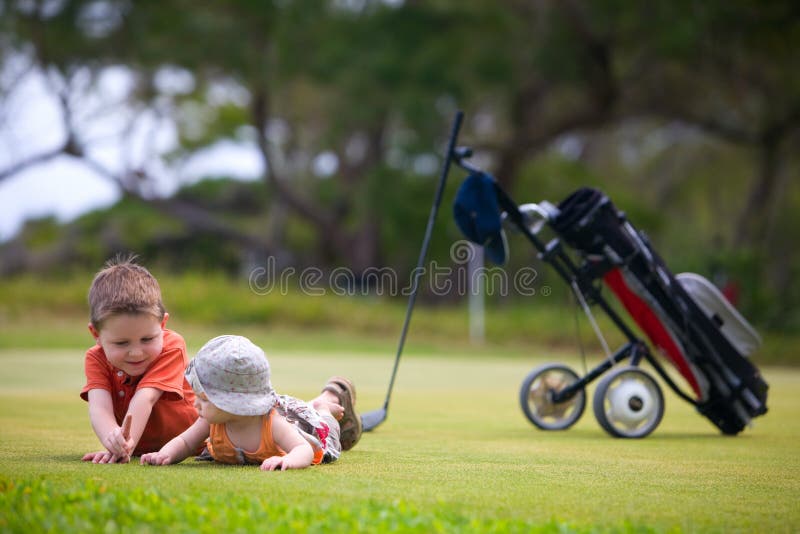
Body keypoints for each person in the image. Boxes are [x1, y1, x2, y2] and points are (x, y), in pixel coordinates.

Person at [140, 335, 362, 470]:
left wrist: (289, 461)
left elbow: (302, 448)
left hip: (305, 427)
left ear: (232, 403)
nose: (195, 405)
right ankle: (313, 404)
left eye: (204, 399)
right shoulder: (210, 420)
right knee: (296, 410)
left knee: (330, 438)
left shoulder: (271, 424)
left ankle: (324, 406)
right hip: (283, 409)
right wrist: (165, 454)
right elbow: (185, 443)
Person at [80, 256, 199, 464]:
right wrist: (114, 442)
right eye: (121, 343)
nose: (136, 353)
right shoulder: (95, 359)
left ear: (162, 325)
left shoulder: (171, 346)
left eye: (147, 339)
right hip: (138, 451)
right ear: (96, 334)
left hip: (195, 446)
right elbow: (100, 408)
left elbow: (146, 397)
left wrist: (125, 446)